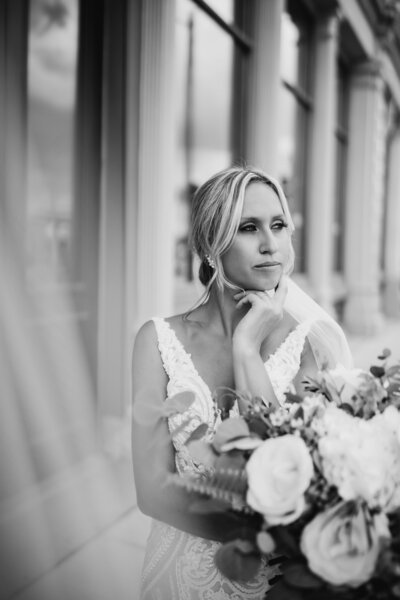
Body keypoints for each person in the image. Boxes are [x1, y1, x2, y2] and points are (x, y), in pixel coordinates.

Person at [131, 166, 353, 600]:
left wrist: (247, 349)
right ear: (211, 244)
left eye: (279, 226)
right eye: (249, 228)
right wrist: (268, 535)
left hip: (274, 585)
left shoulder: (305, 345)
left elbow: (284, 459)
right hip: (179, 578)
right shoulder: (156, 340)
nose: (271, 245)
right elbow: (152, 492)